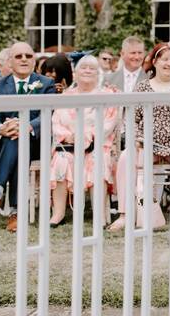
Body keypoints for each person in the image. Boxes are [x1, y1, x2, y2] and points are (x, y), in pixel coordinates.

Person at [108, 43, 170, 231]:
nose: (169, 64)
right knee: (126, 158)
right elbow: (132, 118)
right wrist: (137, 139)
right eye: (165, 59)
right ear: (155, 62)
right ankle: (125, 215)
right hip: (146, 144)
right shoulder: (143, 87)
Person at [0, 41, 57, 233]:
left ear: (34, 60)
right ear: (10, 62)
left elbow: (49, 114)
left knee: (20, 139)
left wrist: (27, 126)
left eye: (28, 56)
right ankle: (15, 212)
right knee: (15, 140)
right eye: (19, 56)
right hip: (4, 146)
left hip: (36, 143)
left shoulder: (46, 84)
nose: (24, 59)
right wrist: (1, 128)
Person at [49, 55, 120, 227]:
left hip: (97, 145)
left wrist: (88, 136)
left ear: (98, 74)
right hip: (69, 146)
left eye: (92, 68)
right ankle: (58, 213)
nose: (87, 70)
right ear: (76, 72)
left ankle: (99, 215)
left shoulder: (108, 95)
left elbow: (110, 122)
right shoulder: (66, 96)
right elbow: (56, 122)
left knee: (97, 161)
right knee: (61, 161)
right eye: (83, 67)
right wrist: (69, 136)